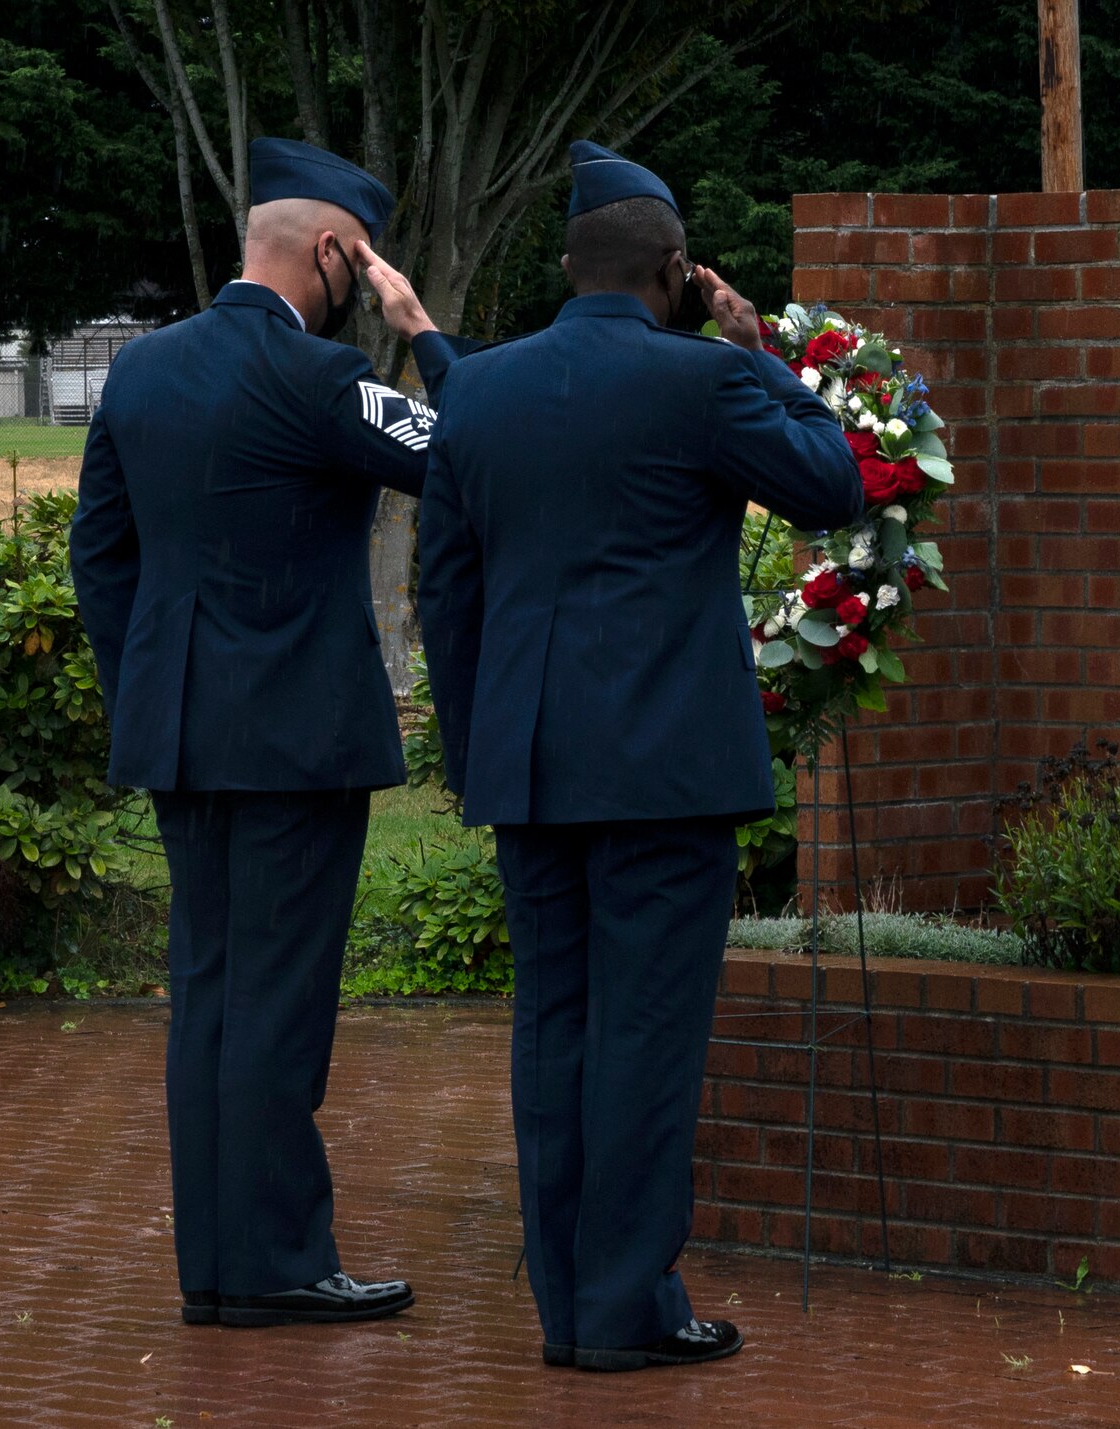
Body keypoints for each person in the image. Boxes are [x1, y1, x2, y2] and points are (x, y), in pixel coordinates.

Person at [417, 140, 863, 1372]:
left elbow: (445, 598)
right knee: (646, 1039)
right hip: (665, 770)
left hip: (530, 766)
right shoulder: (699, 384)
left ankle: (567, 1306)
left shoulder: (480, 393)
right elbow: (830, 485)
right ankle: (626, 1307)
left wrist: (479, 753)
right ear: (673, 270)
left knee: (552, 1033)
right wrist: (760, 357)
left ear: (569, 265)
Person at [69, 137, 477, 1329]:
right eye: (362, 265)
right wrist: (424, 336)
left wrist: (150, 684)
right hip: (296, 738)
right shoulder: (317, 383)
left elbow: (102, 554)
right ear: (334, 252)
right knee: (280, 1003)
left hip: (181, 732)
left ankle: (220, 1260)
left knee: (209, 993)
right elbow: (476, 454)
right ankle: (275, 1264)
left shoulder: (138, 373)